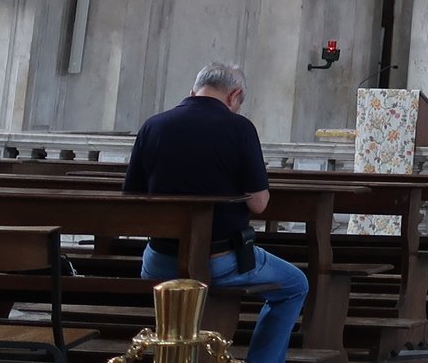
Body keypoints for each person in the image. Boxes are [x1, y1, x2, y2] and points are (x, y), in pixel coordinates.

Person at [124, 63, 307, 363]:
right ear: (235, 96)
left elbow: (132, 198)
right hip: (220, 261)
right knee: (295, 285)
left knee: (165, 270)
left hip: (159, 260)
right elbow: (259, 204)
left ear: (193, 89)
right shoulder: (239, 128)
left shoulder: (154, 125)